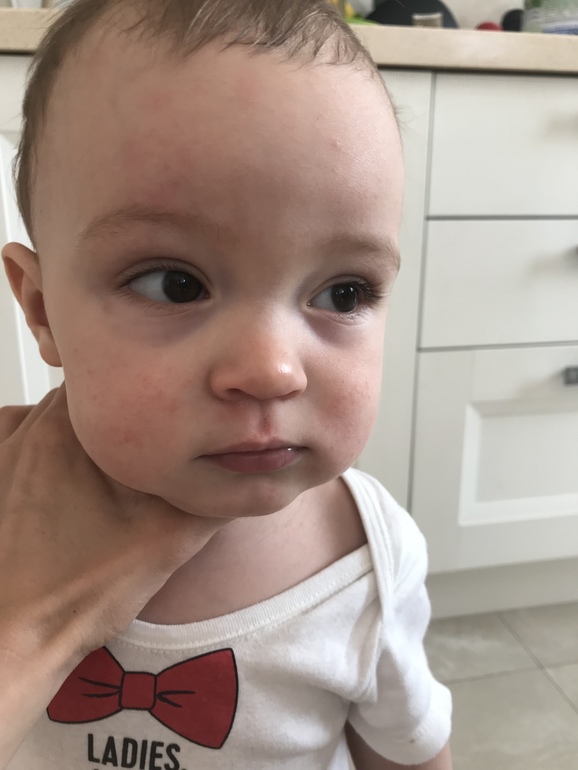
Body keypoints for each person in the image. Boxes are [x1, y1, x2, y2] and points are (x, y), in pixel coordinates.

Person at [0, 0, 453, 767]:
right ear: (42, 310)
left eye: (343, 292)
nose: (273, 370)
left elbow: (409, 751)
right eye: (175, 284)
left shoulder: (368, 556)